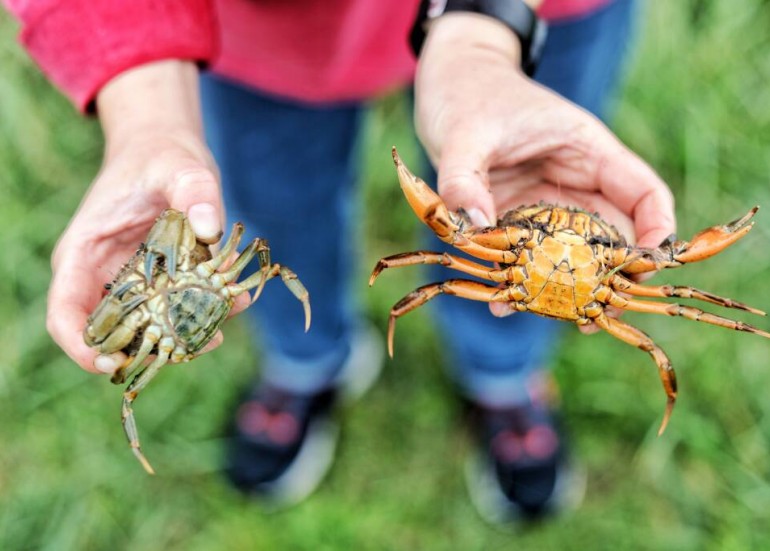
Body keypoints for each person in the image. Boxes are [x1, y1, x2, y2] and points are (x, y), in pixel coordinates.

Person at [7, 0, 675, 522]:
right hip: (270, 30)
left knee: (509, 200)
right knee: (261, 206)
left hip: (536, 13)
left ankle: (502, 370)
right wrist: (146, 110)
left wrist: (480, 34)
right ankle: (305, 356)